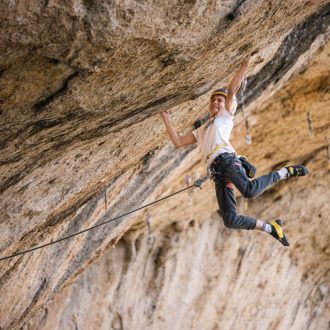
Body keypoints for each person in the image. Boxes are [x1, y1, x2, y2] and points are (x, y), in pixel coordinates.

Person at [160, 58, 308, 246]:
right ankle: (271, 227)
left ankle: (285, 172)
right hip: (219, 173)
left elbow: (232, 90)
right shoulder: (202, 129)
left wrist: (244, 66)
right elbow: (179, 142)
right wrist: (166, 118)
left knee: (249, 191)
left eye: (219, 100)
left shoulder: (225, 116)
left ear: (226, 105)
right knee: (230, 220)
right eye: (213, 100)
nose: (216, 101)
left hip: (227, 161)